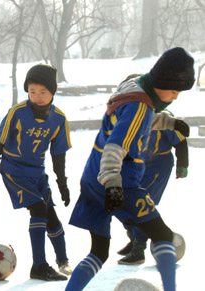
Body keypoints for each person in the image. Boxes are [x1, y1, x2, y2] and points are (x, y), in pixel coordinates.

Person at [65, 47, 195, 291]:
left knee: (99, 252)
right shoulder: (140, 106)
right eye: (175, 90)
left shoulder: (132, 90)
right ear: (162, 82)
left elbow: (136, 121)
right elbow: (116, 146)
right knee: (163, 235)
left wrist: (169, 122)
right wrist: (114, 184)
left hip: (92, 178)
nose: (176, 97)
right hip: (117, 179)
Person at [0, 64, 72, 281]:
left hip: (37, 172)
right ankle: (39, 266)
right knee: (38, 209)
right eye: (32, 91)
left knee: (51, 216)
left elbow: (58, 155)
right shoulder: (18, 112)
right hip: (14, 169)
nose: (37, 97)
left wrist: (62, 184)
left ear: (52, 92)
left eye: (43, 92)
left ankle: (63, 261)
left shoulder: (59, 119)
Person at [117, 110, 188, 265]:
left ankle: (139, 249)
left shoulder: (163, 116)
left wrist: (183, 165)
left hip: (158, 165)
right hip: (136, 165)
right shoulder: (132, 113)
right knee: (124, 202)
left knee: (143, 205)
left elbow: (181, 141)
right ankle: (133, 239)